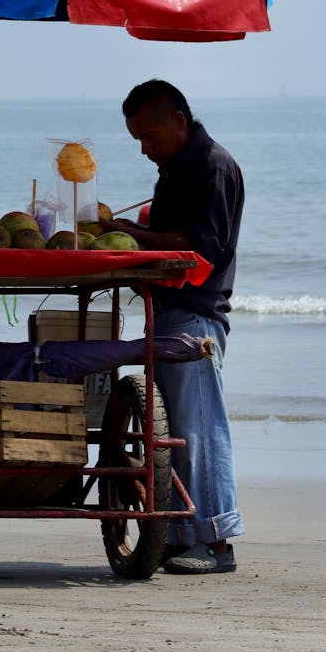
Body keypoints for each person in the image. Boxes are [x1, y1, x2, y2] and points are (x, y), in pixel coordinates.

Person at [99, 79, 245, 575]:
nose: (145, 149)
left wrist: (134, 237)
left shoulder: (213, 166)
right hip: (168, 313)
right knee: (172, 432)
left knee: (199, 428)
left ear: (178, 121)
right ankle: (180, 535)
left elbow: (202, 249)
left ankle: (217, 541)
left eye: (150, 137)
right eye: (137, 139)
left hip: (196, 318)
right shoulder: (175, 169)